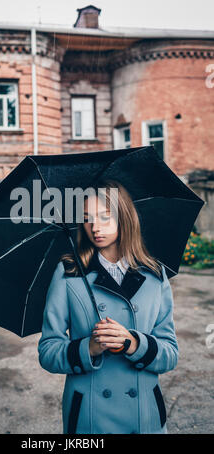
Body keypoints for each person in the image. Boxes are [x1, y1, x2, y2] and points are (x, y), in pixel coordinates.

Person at [37, 178, 178, 434]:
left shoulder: (155, 275)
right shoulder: (69, 273)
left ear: (124, 218)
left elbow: (170, 354)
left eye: (104, 216)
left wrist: (134, 344)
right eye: (87, 218)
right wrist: (87, 348)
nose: (94, 227)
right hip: (90, 419)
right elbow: (48, 351)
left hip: (143, 417)